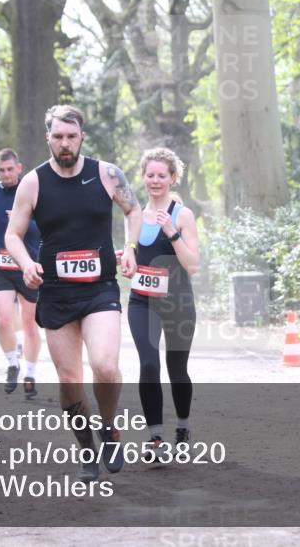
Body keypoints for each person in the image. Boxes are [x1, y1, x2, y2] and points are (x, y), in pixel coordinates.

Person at [5, 105, 141, 482]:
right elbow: (12, 235)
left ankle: (110, 429)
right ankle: (86, 450)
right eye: (58, 137)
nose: (65, 143)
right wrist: (25, 263)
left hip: (100, 288)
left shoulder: (107, 173)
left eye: (71, 136)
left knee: (106, 366)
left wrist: (130, 248)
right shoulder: (32, 182)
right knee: (70, 381)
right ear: (48, 138)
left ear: (82, 137)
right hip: (56, 292)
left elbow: (133, 210)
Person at [128, 148, 200, 460]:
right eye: (150, 174)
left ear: (173, 178)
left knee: (176, 367)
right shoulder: (134, 216)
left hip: (178, 302)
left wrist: (171, 233)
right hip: (141, 301)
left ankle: (182, 425)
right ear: (143, 177)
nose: (155, 180)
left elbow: (193, 264)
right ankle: (155, 437)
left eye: (161, 175)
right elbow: (130, 252)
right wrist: (126, 258)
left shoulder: (182, 215)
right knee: (148, 363)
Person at [0, 148, 42, 397]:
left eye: (9, 169)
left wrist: (25, 221)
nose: (5, 174)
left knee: (29, 324)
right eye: (1, 170)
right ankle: (12, 363)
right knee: (3, 319)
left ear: (19, 168)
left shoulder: (31, 190)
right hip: (0, 266)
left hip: (28, 265)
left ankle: (30, 373)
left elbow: (45, 229)